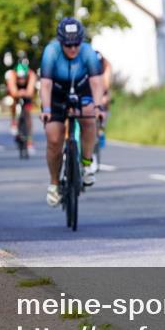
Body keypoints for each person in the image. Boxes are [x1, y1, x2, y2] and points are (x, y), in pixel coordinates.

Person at [39, 17, 104, 207]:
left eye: (76, 44)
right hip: (56, 93)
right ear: (61, 42)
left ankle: (86, 163)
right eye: (68, 45)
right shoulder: (51, 52)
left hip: (82, 89)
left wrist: (99, 107)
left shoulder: (88, 51)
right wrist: (47, 110)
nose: (73, 49)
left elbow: (96, 82)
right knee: (53, 138)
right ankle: (53, 183)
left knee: (89, 118)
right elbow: (45, 84)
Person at [5, 59, 38, 154]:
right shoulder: (12, 75)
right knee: (12, 102)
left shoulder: (31, 75)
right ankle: (13, 121)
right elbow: (13, 91)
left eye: (23, 78)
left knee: (28, 115)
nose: (21, 80)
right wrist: (17, 93)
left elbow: (30, 92)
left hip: (27, 92)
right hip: (16, 91)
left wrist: (26, 93)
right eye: (19, 78)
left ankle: (30, 141)